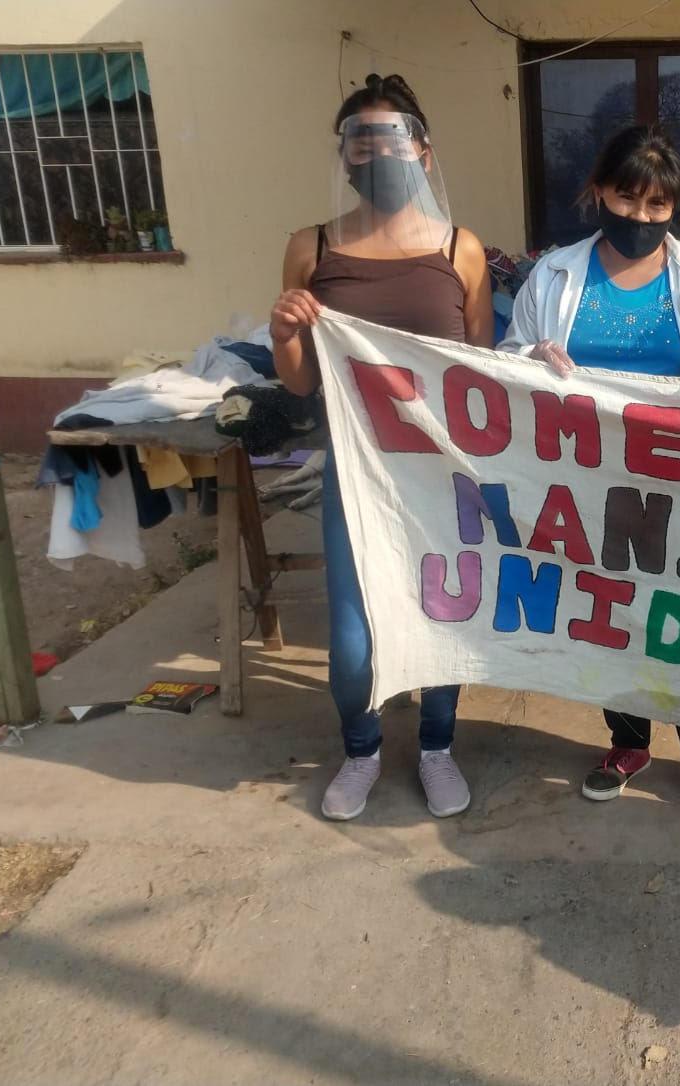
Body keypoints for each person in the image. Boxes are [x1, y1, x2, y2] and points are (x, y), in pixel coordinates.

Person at [499, 124, 680, 826]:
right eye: (628, 199)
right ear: (599, 193)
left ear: (676, 210)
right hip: (588, 479)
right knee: (610, 607)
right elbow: (507, 359)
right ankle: (627, 743)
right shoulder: (556, 274)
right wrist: (532, 358)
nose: (641, 219)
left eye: (658, 207)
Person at [269, 74, 493, 822]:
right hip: (357, 471)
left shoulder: (462, 250)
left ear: (425, 153)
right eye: (359, 139)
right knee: (353, 638)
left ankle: (436, 746)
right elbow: (301, 385)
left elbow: (485, 375)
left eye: (390, 136)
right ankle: (361, 749)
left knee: (444, 614)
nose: (375, 151)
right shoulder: (313, 245)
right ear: (344, 155)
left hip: (442, 473)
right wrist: (285, 332)